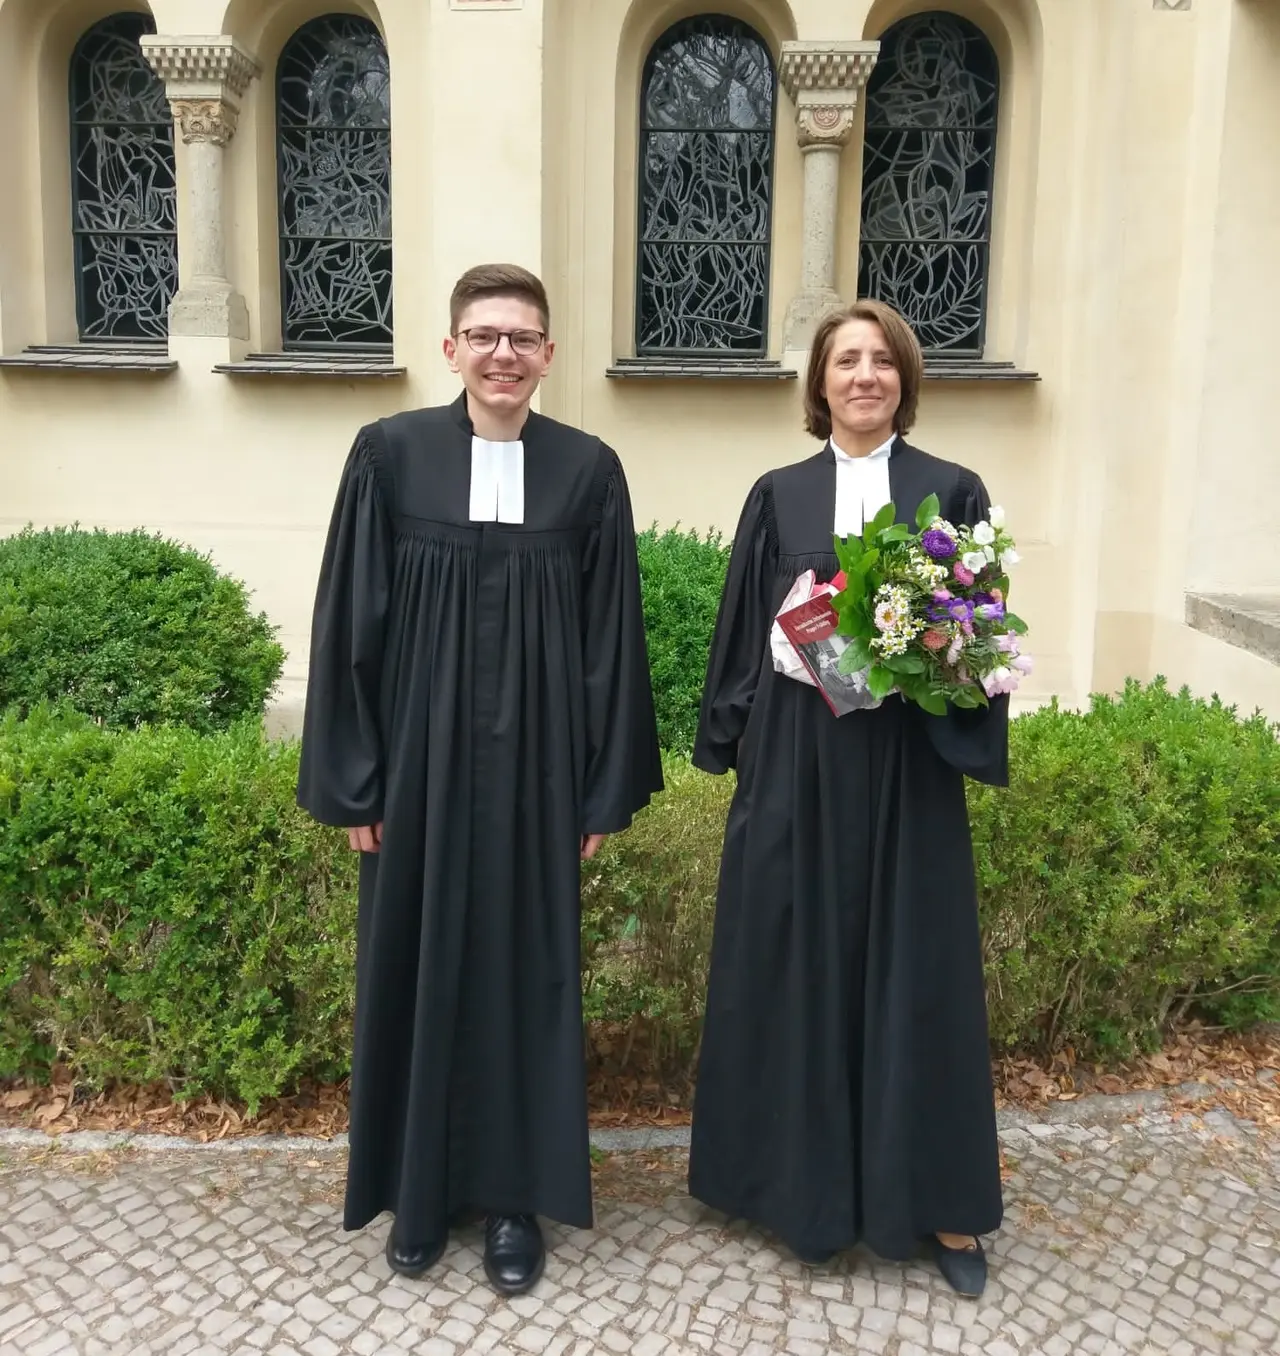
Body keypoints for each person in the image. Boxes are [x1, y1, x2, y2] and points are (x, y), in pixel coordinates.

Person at [297, 263, 663, 1296]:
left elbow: (609, 645)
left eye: (523, 337)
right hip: (414, 773)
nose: (503, 353)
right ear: (451, 347)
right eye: (484, 334)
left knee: (525, 976)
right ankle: (418, 1196)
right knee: (410, 965)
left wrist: (600, 788)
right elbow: (349, 624)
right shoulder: (388, 457)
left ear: (547, 357)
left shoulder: (587, 472)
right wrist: (355, 781)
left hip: (537, 780)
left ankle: (511, 1200)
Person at [688, 299, 1008, 1297]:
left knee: (919, 975)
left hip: (907, 772)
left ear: (904, 379)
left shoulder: (951, 491)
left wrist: (934, 658)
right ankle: (802, 1198)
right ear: (817, 384)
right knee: (796, 969)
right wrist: (769, 694)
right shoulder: (776, 495)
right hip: (798, 767)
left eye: (879, 360)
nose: (863, 376)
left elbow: (980, 640)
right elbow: (747, 630)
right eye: (844, 361)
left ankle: (941, 1210)